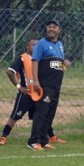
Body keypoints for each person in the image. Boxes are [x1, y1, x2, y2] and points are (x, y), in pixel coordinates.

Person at [0, 39, 66, 146]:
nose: (36, 46)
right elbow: (9, 72)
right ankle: (3, 137)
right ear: (27, 47)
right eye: (33, 45)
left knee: (42, 116)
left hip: (39, 93)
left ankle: (51, 137)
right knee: (15, 116)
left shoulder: (41, 59)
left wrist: (64, 64)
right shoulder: (22, 58)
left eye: (37, 45)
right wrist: (19, 87)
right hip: (26, 94)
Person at [27, 20, 72, 151]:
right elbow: (35, 62)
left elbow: (59, 65)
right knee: (41, 113)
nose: (51, 29)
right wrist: (36, 81)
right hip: (45, 85)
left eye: (54, 27)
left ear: (58, 30)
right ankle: (33, 141)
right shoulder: (41, 44)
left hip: (56, 86)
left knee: (50, 114)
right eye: (49, 27)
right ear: (46, 29)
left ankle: (44, 140)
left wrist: (66, 63)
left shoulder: (60, 44)